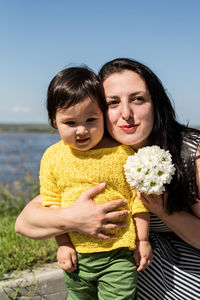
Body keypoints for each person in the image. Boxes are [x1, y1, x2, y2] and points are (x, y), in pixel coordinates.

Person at [15, 58, 200, 300]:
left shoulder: (189, 153)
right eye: (113, 103)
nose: (126, 114)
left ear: (156, 103)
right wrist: (74, 219)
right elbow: (24, 223)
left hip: (183, 264)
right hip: (128, 265)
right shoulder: (98, 157)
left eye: (138, 99)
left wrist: (163, 210)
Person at [38, 65, 152, 299]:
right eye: (70, 123)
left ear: (102, 114)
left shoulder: (122, 153)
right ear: (54, 121)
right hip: (76, 257)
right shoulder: (53, 157)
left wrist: (142, 240)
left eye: (91, 119)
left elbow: (137, 202)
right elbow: (52, 203)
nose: (82, 130)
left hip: (118, 256)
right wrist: (63, 244)